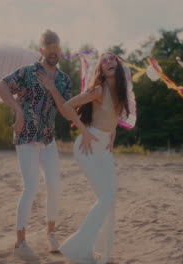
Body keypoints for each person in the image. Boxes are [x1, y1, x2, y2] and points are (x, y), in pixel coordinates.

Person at [0, 29, 72, 252]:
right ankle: (20, 240)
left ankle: (51, 232)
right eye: (49, 49)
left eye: (57, 49)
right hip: (26, 135)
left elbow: (66, 111)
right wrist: (17, 109)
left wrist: (52, 88)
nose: (53, 53)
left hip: (48, 139)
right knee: (31, 187)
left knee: (54, 185)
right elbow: (0, 87)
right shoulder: (27, 72)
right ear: (42, 50)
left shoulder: (64, 80)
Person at [58, 52, 131, 264]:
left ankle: (101, 254)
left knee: (110, 200)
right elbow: (67, 106)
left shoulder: (121, 92)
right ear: (101, 68)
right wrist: (84, 131)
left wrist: (113, 135)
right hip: (86, 148)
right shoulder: (99, 89)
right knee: (105, 199)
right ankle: (76, 248)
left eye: (112, 58)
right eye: (104, 60)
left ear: (117, 64)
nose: (109, 61)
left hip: (104, 150)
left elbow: (113, 117)